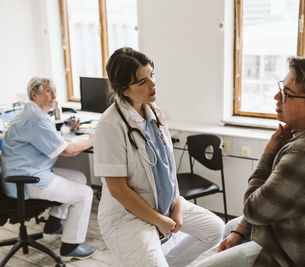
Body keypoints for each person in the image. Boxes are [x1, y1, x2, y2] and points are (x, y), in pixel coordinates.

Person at [196, 57, 305, 267]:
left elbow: (253, 209)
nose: (276, 97)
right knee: (232, 229)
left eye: (286, 94)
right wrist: (241, 231)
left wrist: (269, 152)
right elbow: (275, 194)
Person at [93, 47, 225, 267]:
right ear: (125, 90)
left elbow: (167, 169)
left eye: (152, 75)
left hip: (165, 204)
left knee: (215, 229)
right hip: (129, 217)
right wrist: (160, 221)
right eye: (142, 82)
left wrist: (178, 206)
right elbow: (117, 189)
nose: (152, 84)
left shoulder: (155, 112)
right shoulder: (110, 125)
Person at [0, 77, 96, 261]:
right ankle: (70, 247)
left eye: (54, 91)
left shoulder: (35, 114)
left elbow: (57, 141)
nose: (54, 96)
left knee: (79, 178)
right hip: (26, 180)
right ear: (34, 95)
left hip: (26, 172)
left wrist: (75, 142)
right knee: (84, 194)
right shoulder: (34, 119)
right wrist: (90, 141)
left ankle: (52, 226)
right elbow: (67, 151)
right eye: (48, 91)